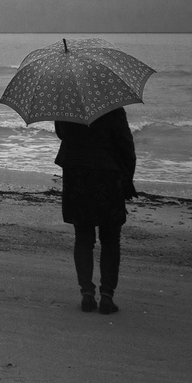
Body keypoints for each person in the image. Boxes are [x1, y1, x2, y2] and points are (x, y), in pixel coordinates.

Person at [54, 107, 136, 314]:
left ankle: (87, 294)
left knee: (83, 237)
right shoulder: (113, 108)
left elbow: (62, 134)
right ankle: (107, 296)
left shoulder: (66, 106)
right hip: (108, 175)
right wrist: (128, 179)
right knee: (110, 239)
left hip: (77, 175)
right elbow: (126, 146)